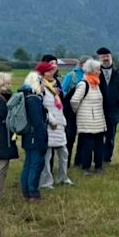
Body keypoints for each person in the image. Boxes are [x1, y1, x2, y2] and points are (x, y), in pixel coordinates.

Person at [37, 61, 72, 189]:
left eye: (52, 70)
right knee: (47, 155)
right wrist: (51, 120)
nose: (51, 73)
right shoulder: (40, 87)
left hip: (59, 125)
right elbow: (40, 108)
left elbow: (59, 105)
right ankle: (46, 182)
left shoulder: (56, 85)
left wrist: (62, 120)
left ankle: (63, 177)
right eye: (48, 71)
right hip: (49, 125)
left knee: (64, 153)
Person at [71, 58, 107, 175]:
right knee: (88, 145)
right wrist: (80, 113)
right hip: (87, 121)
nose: (99, 72)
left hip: (98, 120)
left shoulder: (96, 84)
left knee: (99, 144)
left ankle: (98, 166)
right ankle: (85, 167)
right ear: (91, 70)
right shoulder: (83, 84)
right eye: (97, 70)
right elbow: (74, 101)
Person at [19, 70, 48, 201]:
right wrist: (43, 141)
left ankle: (26, 192)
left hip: (27, 136)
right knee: (35, 165)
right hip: (35, 137)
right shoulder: (34, 100)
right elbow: (38, 123)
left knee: (28, 164)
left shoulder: (25, 97)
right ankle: (33, 193)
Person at [96, 47, 119, 164]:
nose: (105, 59)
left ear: (111, 57)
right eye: (103, 57)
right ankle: (97, 157)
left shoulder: (118, 73)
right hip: (98, 109)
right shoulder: (95, 73)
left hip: (113, 109)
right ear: (99, 58)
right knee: (97, 135)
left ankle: (107, 158)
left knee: (110, 135)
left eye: (107, 56)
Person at [59, 59, 85, 166]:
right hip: (70, 111)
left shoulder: (89, 76)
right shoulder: (71, 75)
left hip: (83, 110)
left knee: (83, 137)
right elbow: (63, 90)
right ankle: (66, 162)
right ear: (82, 64)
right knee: (70, 137)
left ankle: (79, 161)